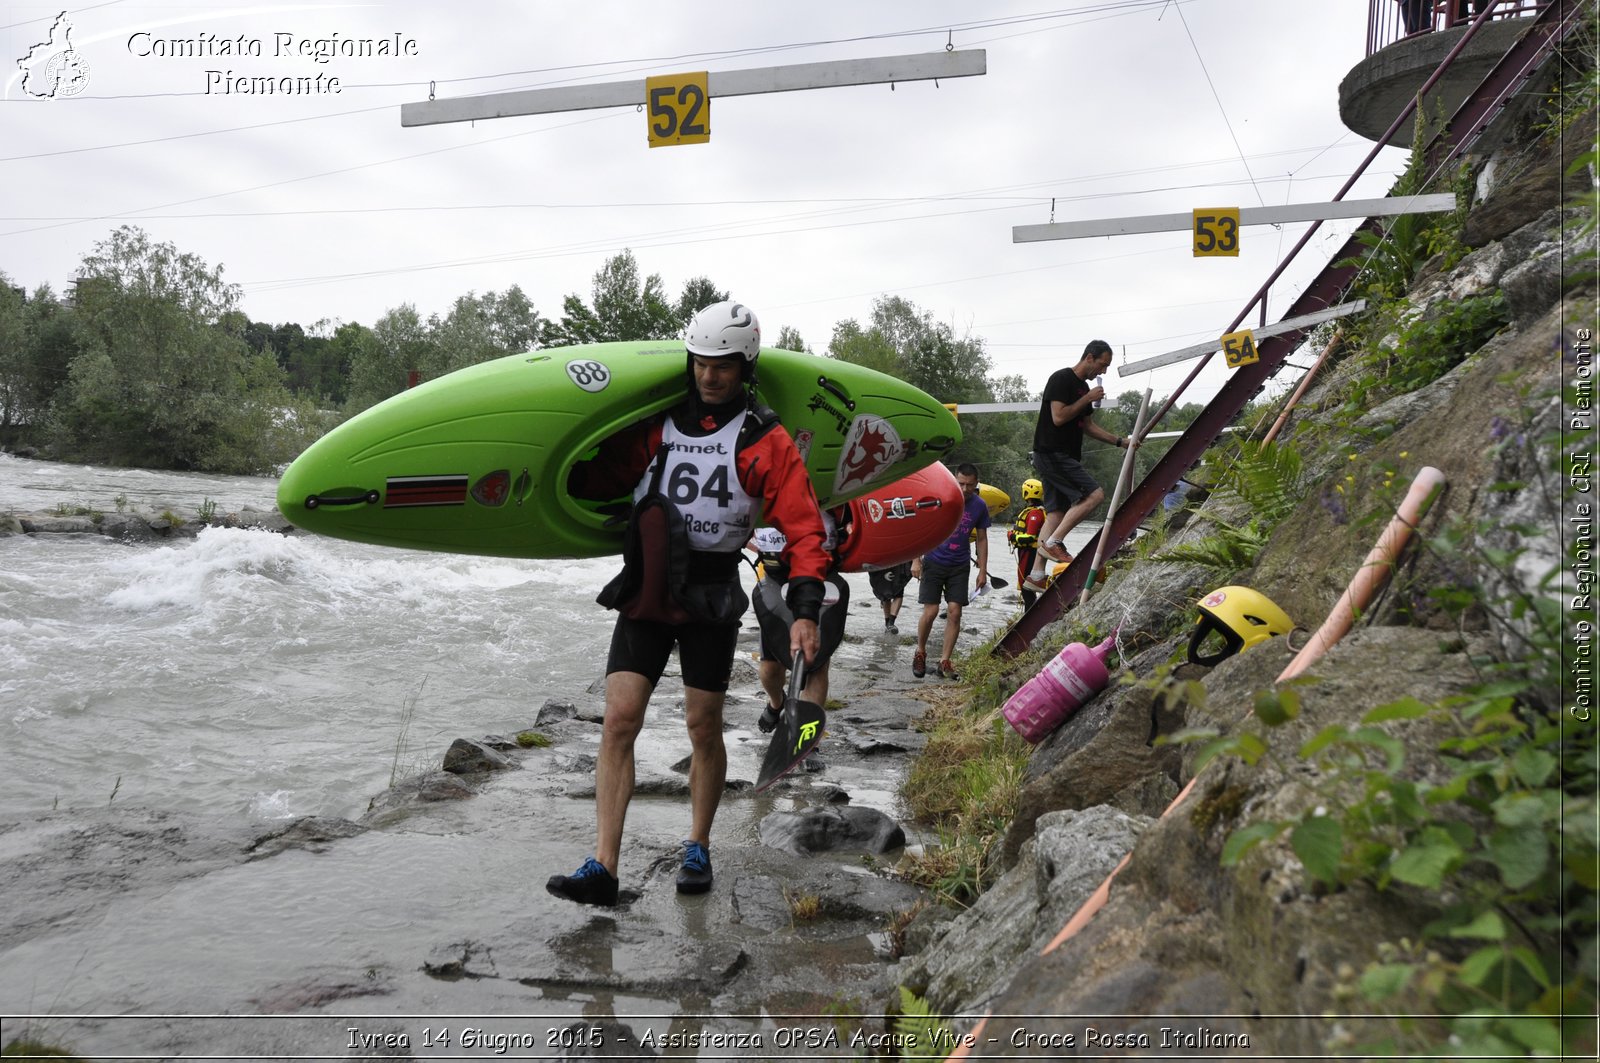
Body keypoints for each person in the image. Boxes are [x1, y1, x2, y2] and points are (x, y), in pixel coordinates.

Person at [548, 301, 829, 907]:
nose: (709, 376)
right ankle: (604, 865)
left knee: (702, 724)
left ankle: (697, 845)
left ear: (744, 365)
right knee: (620, 718)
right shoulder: (658, 422)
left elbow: (805, 529)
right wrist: (542, 467)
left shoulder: (764, 438)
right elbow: (606, 475)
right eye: (700, 362)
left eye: (723, 365)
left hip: (709, 590)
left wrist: (805, 609)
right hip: (647, 584)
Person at [1024, 340, 1134, 591]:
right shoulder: (1061, 379)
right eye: (1102, 365)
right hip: (1052, 453)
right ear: (1089, 358)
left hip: (1063, 456)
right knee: (1095, 495)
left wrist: (1120, 442)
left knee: (1056, 514)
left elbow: (1088, 427)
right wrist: (1087, 399)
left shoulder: (1083, 388)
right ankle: (1055, 542)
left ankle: (1037, 575)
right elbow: (1059, 417)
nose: (1103, 372)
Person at [749, 510, 850, 736]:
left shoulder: (834, 482)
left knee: (817, 665)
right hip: (776, 577)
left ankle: (806, 735)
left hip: (822, 573)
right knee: (770, 669)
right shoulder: (772, 481)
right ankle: (777, 702)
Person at [910, 463, 989, 681]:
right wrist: (916, 560)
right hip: (933, 561)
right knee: (932, 611)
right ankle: (920, 652)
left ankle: (944, 661)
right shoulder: (941, 498)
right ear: (954, 479)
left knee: (955, 612)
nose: (964, 490)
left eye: (970, 485)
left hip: (959, 564)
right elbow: (920, 527)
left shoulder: (980, 506)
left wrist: (982, 571)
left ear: (976, 483)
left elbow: (981, 539)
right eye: (961, 483)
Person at [1007, 478, 1047, 608]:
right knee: (1025, 584)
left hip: (1030, 552)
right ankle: (1030, 609)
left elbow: (1030, 537)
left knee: (1026, 585)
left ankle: (1029, 612)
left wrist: (1012, 536)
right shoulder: (1033, 511)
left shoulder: (1035, 513)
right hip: (1026, 551)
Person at [867, 560, 912, 634]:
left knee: (898, 590)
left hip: (899, 558)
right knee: (885, 592)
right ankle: (888, 623)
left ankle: (891, 623)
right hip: (882, 558)